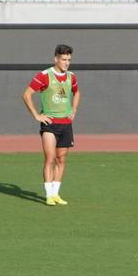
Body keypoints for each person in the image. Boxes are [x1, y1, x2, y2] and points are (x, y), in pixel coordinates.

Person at [22, 44, 79, 206]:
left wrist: (74, 108)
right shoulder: (44, 75)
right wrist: (36, 115)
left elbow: (77, 92)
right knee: (50, 158)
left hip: (66, 124)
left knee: (61, 158)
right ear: (56, 59)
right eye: (63, 59)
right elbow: (26, 95)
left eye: (69, 60)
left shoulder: (71, 77)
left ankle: (56, 194)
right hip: (50, 124)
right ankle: (48, 195)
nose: (66, 63)